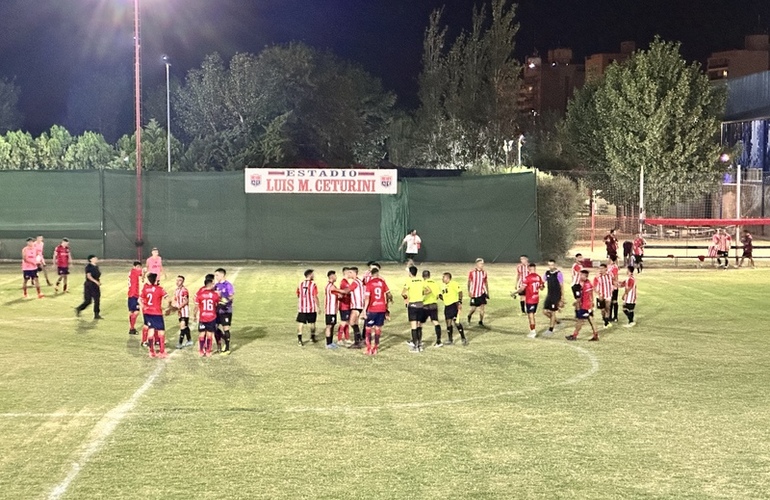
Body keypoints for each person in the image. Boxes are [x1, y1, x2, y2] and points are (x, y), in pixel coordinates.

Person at [362, 267, 392, 355]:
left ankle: (368, 349)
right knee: (378, 328)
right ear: (378, 274)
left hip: (372, 309)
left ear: (371, 275)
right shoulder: (382, 282)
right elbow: (388, 294)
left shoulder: (369, 283)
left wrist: (364, 310)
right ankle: (375, 348)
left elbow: (367, 298)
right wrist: (387, 306)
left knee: (368, 328)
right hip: (381, 308)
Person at [141, 273, 170, 358]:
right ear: (155, 280)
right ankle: (161, 351)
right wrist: (168, 308)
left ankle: (151, 351)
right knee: (161, 332)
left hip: (147, 313)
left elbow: (140, 299)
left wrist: (143, 306)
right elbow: (168, 300)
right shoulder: (160, 289)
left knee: (151, 331)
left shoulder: (145, 289)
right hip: (157, 313)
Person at [565, 269, 598, 341]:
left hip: (585, 306)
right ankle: (595, 335)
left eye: (581, 275)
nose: (580, 276)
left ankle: (574, 336)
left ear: (585, 276)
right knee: (591, 320)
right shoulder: (588, 283)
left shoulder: (586, 285)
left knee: (580, 321)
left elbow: (585, 297)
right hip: (588, 305)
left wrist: (577, 303)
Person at [402, 265, 429, 352]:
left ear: (410, 273)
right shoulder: (421, 280)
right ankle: (420, 344)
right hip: (421, 305)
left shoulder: (409, 281)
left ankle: (415, 346)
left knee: (413, 326)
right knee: (419, 325)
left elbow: (403, 293)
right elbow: (429, 290)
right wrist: (421, 293)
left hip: (413, 305)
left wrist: (406, 298)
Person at [193, 277, 221, 357]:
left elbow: (196, 307)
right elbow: (218, 304)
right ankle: (208, 351)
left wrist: (194, 315)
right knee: (209, 334)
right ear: (211, 284)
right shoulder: (215, 295)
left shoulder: (200, 295)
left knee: (202, 334)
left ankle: (201, 351)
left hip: (203, 317)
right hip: (211, 317)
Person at [517, 263, 544, 338]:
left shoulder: (527, 278)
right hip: (536, 299)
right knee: (532, 314)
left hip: (530, 300)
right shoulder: (538, 277)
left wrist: (515, 292)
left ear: (528, 269)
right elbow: (541, 288)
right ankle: (532, 331)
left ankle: (533, 331)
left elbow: (522, 288)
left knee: (531, 315)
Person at [440, 272, 467, 345]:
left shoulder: (453, 284)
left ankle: (463, 338)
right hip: (447, 306)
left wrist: (460, 302)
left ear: (448, 278)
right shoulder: (443, 286)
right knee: (448, 323)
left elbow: (460, 292)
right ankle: (450, 339)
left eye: (443, 277)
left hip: (454, 305)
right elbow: (443, 296)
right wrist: (440, 296)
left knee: (456, 322)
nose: (442, 278)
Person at [214, 267, 235, 355]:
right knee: (214, 327)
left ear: (222, 275)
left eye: (217, 275)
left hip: (226, 310)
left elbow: (231, 296)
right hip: (217, 310)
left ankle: (227, 348)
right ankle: (222, 340)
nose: (216, 277)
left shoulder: (228, 285)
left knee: (225, 328)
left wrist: (225, 301)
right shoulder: (216, 286)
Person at [75, 255, 102, 319]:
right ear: (91, 259)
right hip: (89, 285)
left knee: (97, 300)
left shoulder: (96, 266)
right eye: (94, 258)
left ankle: (96, 314)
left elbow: (97, 275)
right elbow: (89, 276)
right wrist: (96, 282)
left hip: (95, 285)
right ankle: (79, 309)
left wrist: (98, 281)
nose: (96, 259)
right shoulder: (88, 267)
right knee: (88, 301)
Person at [296, 269, 319, 346]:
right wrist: (318, 306)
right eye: (313, 274)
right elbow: (315, 296)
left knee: (301, 323)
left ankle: (299, 340)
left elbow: (298, 294)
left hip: (302, 308)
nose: (314, 276)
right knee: (312, 323)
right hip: (311, 307)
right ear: (309, 275)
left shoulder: (300, 284)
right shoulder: (313, 285)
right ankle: (312, 337)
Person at [421, 270, 443, 347]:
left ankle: (418, 340)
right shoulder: (435, 283)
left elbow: (422, 293)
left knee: (419, 323)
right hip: (434, 305)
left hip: (425, 305)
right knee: (435, 322)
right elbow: (438, 295)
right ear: (429, 275)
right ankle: (439, 341)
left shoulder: (423, 283)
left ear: (423, 276)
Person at [542, 260, 564, 337]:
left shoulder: (558, 274)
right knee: (544, 311)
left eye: (552, 265)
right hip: (549, 295)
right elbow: (542, 282)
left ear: (555, 265)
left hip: (556, 295)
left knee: (553, 312)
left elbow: (561, 285)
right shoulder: (547, 273)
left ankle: (550, 330)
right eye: (549, 265)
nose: (550, 266)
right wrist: (541, 286)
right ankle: (558, 322)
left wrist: (562, 298)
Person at [346, 267, 365, 349]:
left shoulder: (355, 282)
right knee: (355, 323)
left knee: (352, 322)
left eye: (350, 272)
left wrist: (335, 290)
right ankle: (359, 339)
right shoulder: (359, 281)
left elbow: (347, 290)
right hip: (359, 305)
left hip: (357, 306)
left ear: (354, 273)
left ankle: (357, 342)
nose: (348, 274)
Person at [467, 258, 489, 327]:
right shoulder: (472, 272)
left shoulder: (484, 272)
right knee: (473, 308)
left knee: (482, 308)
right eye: (480, 263)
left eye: (483, 263)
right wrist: (469, 291)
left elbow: (485, 282)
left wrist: (487, 292)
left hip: (482, 293)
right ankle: (469, 315)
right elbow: (469, 282)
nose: (482, 265)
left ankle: (481, 321)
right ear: (477, 264)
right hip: (474, 294)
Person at [171, 275, 192, 349]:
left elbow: (186, 301)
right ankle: (189, 340)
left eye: (179, 280)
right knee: (185, 326)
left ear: (183, 282)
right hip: (180, 312)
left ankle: (180, 343)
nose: (177, 282)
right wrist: (173, 305)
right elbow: (175, 299)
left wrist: (179, 307)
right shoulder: (176, 290)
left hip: (184, 312)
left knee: (182, 327)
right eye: (177, 280)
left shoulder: (184, 290)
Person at [593, 264, 614, 328]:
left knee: (607, 308)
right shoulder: (597, 277)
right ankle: (604, 319)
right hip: (601, 295)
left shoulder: (610, 276)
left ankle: (606, 322)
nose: (601, 270)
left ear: (605, 269)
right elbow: (594, 287)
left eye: (602, 268)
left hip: (608, 295)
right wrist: (599, 294)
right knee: (602, 310)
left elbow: (613, 282)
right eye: (600, 268)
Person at [323, 270, 340, 349]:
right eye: (335, 276)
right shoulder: (331, 286)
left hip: (332, 310)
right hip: (330, 310)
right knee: (329, 326)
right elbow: (340, 294)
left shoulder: (331, 286)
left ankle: (330, 342)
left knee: (332, 326)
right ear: (332, 276)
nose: (336, 277)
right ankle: (328, 343)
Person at [336, 267, 352, 344]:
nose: (350, 274)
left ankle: (347, 338)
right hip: (344, 305)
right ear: (346, 273)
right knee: (343, 322)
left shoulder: (346, 282)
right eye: (349, 272)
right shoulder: (344, 282)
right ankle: (339, 339)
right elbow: (347, 292)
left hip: (347, 305)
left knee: (347, 322)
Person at [607, 256, 621, 322]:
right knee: (609, 302)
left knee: (614, 301)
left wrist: (615, 284)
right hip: (609, 287)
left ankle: (615, 316)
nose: (608, 259)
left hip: (614, 286)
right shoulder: (608, 266)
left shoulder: (615, 267)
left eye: (609, 258)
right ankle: (609, 316)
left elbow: (615, 277)